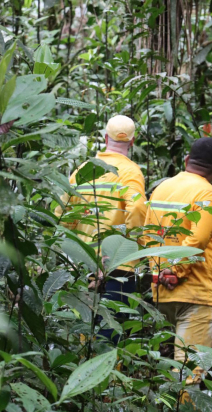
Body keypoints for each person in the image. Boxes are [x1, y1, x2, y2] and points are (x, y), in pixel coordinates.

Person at [55, 115, 147, 341]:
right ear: (132, 142)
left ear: (105, 138)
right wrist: (133, 245)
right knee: (110, 331)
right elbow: (136, 208)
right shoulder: (130, 172)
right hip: (117, 266)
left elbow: (61, 215)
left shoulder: (84, 169)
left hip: (84, 264)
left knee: (85, 330)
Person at [144, 137, 212, 384]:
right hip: (196, 293)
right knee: (189, 373)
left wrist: (159, 272)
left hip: (164, 292)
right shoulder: (207, 193)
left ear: (187, 160)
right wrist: (175, 271)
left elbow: (148, 234)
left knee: (176, 368)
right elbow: (197, 240)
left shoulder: (162, 188)